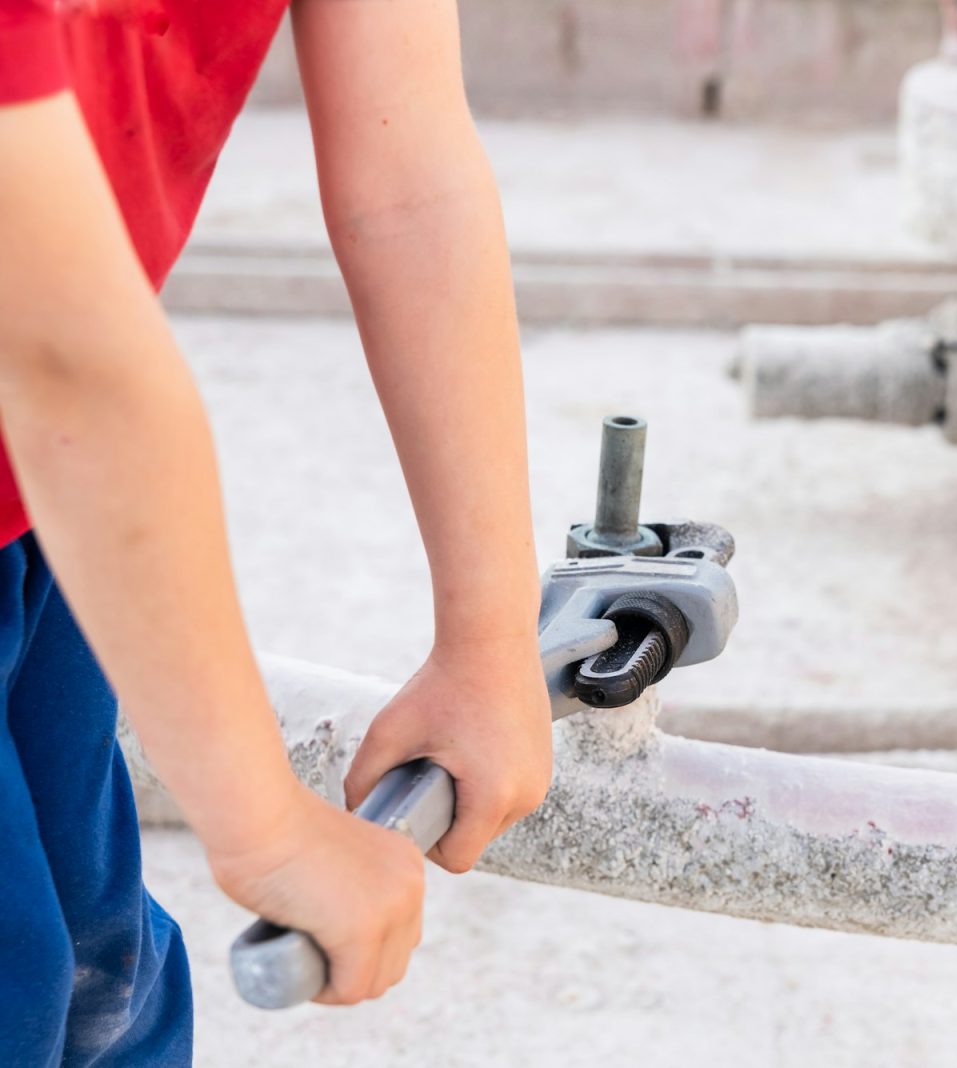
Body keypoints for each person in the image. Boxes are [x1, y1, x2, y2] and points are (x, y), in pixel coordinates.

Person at [0, 0, 554, 1062]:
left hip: (39, 488)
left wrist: (488, 644)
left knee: (95, 977)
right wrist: (268, 833)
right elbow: (63, 365)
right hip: (51, 406)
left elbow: (410, 180)